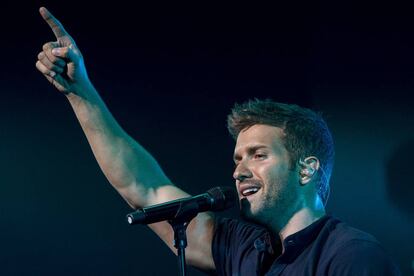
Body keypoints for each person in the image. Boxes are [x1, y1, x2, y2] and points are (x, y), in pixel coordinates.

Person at [35, 7, 400, 275]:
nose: (239, 171)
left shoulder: (352, 255)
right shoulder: (245, 248)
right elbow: (142, 186)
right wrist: (80, 93)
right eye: (238, 159)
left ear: (306, 168)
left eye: (258, 155)